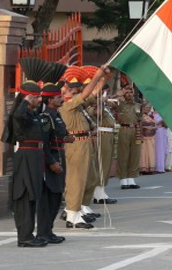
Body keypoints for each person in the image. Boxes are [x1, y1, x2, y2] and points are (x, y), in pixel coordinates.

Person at [4, 61, 52, 247]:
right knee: (25, 196)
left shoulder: (32, 114)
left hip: (35, 158)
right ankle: (24, 237)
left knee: (33, 197)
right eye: (35, 97)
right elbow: (18, 116)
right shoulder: (20, 114)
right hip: (26, 157)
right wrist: (24, 99)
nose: (39, 100)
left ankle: (29, 234)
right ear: (27, 98)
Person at [59, 65, 109, 229]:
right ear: (62, 94)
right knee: (76, 180)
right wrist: (97, 76)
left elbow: (93, 93)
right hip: (76, 143)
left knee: (90, 177)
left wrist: (105, 77)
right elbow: (86, 93)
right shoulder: (66, 106)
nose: (73, 93)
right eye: (69, 91)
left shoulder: (77, 105)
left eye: (75, 91)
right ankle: (72, 215)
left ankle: (79, 209)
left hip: (85, 141)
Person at [37, 73, 68, 245]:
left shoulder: (56, 115)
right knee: (48, 197)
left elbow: (59, 135)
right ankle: (43, 232)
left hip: (60, 156)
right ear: (49, 101)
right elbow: (45, 142)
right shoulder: (46, 117)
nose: (62, 99)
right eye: (58, 97)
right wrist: (51, 162)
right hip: (52, 160)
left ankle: (48, 231)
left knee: (57, 196)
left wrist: (67, 138)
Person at [91, 86, 118, 204]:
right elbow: (98, 114)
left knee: (106, 163)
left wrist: (108, 99)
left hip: (109, 134)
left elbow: (116, 105)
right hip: (102, 134)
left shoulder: (104, 104)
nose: (105, 94)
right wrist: (101, 100)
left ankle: (101, 191)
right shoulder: (94, 104)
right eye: (103, 92)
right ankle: (98, 194)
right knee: (101, 163)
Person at [114, 86, 143, 186]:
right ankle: (123, 178)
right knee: (123, 154)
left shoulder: (138, 105)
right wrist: (118, 95)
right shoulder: (120, 104)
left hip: (136, 130)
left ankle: (131, 178)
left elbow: (140, 119)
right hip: (124, 129)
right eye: (127, 93)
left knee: (135, 154)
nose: (129, 94)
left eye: (131, 92)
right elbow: (109, 102)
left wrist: (141, 133)